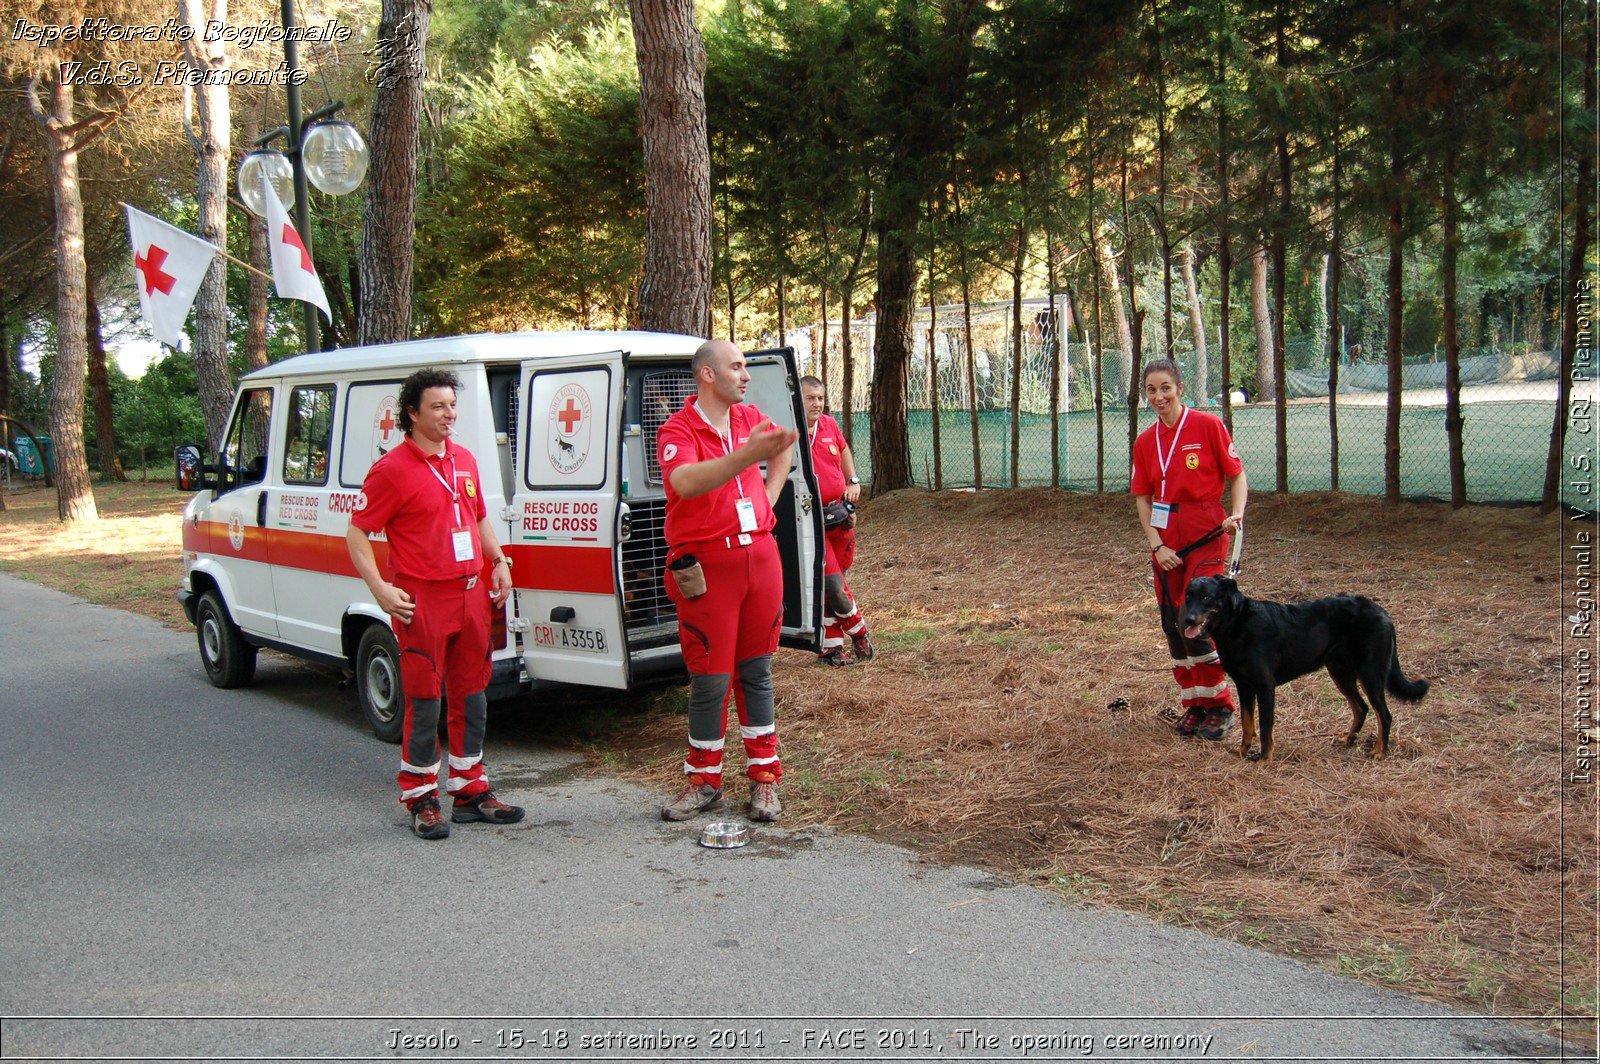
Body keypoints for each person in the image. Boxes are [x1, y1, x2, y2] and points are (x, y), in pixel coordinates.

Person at [346, 368, 524, 840]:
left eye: (452, 405)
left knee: (472, 693)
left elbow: (480, 517)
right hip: (422, 598)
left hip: (470, 594)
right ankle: (421, 796)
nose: (449, 414)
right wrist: (380, 588)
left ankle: (470, 790)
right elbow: (357, 533)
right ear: (412, 413)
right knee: (425, 699)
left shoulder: (463, 459)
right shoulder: (391, 470)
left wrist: (499, 561)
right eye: (438, 407)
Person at [656, 340, 799, 823]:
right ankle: (704, 782)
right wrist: (747, 457)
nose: (746, 375)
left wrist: (768, 492)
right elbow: (686, 482)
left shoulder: (749, 417)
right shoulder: (678, 428)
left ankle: (764, 781)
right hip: (708, 566)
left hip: (758, 556)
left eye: (745, 366)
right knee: (711, 680)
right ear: (708, 376)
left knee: (756, 671)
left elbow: (785, 446)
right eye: (736, 367)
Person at [1130, 359, 1248, 742]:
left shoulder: (1208, 426)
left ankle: (1220, 705)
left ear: (1179, 387)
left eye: (1165, 387)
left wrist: (1237, 514)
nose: (1158, 396)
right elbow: (1143, 498)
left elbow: (1236, 474)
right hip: (1166, 537)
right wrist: (1157, 544)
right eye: (1151, 390)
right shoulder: (1146, 441)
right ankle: (1195, 702)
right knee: (1172, 624)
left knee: (1195, 620)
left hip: (1207, 532)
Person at [800, 375, 874, 667]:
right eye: (810, 398)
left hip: (840, 518)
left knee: (833, 584)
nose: (817, 404)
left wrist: (852, 480)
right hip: (810, 523)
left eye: (820, 398)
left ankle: (830, 649)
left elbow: (843, 450)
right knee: (834, 586)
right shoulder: (790, 429)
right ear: (798, 399)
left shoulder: (829, 424)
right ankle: (859, 631)